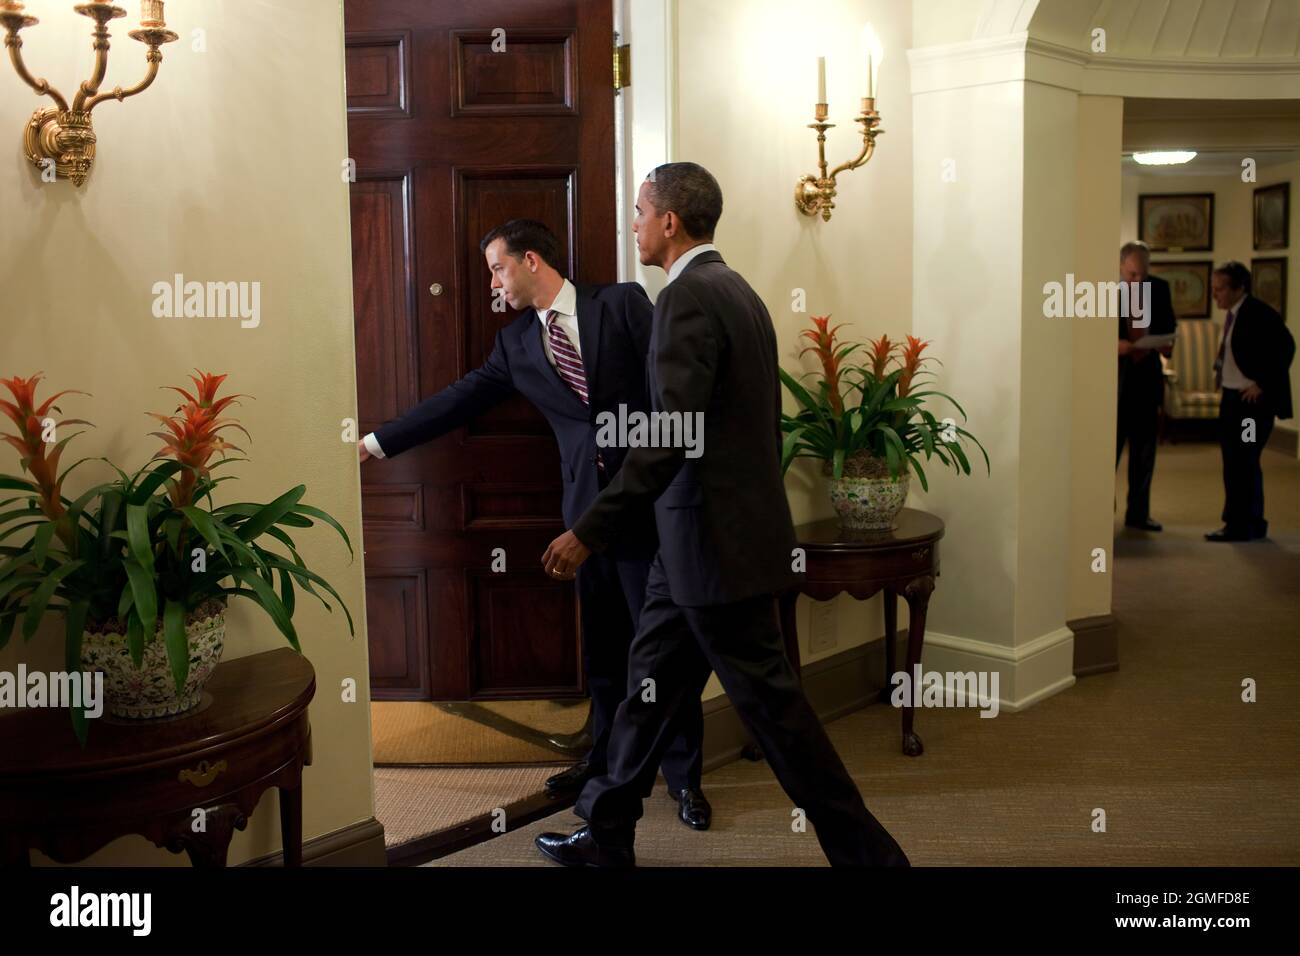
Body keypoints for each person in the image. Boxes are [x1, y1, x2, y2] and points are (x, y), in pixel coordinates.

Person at [532, 163, 909, 867]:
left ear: (670, 222)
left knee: (779, 717)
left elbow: (674, 435)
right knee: (646, 694)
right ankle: (606, 832)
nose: (634, 222)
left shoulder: (688, 301)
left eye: (640, 210)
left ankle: (873, 860)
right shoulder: (737, 291)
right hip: (697, 547)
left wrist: (590, 529)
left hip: (714, 553)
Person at [358, 219, 711, 829]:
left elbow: (669, 394)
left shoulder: (621, 303)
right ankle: (602, 761)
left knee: (660, 655)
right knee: (602, 654)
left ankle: (685, 782)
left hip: (649, 508)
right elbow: (458, 399)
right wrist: (374, 443)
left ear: (529, 260)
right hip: (583, 522)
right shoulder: (516, 345)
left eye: (497, 268)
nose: (493, 282)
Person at [1204, 261, 1295, 542]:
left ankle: (1242, 524)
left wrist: (1263, 384)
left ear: (1238, 288)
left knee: (1244, 460)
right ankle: (1247, 522)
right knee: (1235, 460)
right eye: (1213, 288)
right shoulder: (1234, 313)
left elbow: (1286, 347)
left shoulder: (1257, 313)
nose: (1215, 295)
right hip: (1232, 399)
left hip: (1249, 407)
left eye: (1220, 289)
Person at [1116, 240, 1176, 532]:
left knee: (1144, 452)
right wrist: (1114, 346)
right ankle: (1099, 512)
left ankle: (1138, 514)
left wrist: (1165, 345)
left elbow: (1168, 329)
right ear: (1121, 268)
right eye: (1132, 275)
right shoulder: (1104, 291)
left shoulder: (1160, 288)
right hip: (1116, 380)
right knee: (1107, 452)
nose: (1138, 280)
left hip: (1147, 377)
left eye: (1143, 273)